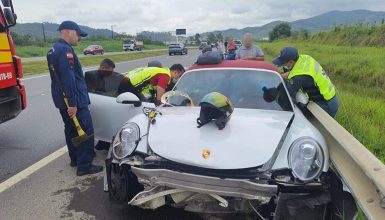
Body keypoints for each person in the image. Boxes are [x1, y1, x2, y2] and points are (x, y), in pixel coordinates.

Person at [46, 21, 103, 176]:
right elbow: (68, 78)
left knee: (70, 129)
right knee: (85, 131)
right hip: (74, 100)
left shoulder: (53, 50)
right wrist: (73, 103)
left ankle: (75, 159)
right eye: (78, 35)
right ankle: (85, 166)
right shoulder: (66, 51)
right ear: (68, 32)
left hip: (61, 100)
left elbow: (57, 78)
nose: (79, 39)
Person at [272, 46, 339, 117]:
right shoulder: (305, 58)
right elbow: (295, 71)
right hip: (330, 97)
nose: (282, 65)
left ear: (291, 61)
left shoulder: (299, 77)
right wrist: (283, 75)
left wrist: (272, 91)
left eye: (283, 63)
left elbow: (285, 93)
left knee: (302, 116)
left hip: (326, 104)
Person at [118, 64, 185, 105]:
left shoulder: (163, 70)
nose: (178, 78)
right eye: (179, 76)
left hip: (128, 81)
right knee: (144, 106)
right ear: (176, 72)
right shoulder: (165, 75)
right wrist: (159, 103)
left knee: (148, 101)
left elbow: (154, 87)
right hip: (129, 85)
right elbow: (160, 89)